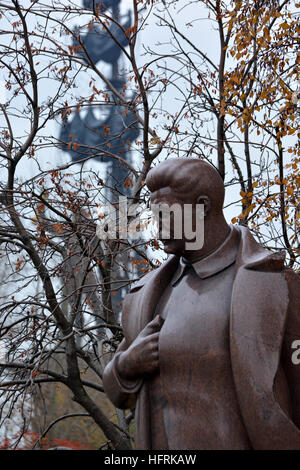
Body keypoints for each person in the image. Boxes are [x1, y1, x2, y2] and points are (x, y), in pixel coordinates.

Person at [103, 158, 300, 450]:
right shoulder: (147, 295)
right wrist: (125, 366)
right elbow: (118, 391)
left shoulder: (274, 285)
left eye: (167, 213)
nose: (158, 225)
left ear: (203, 206)